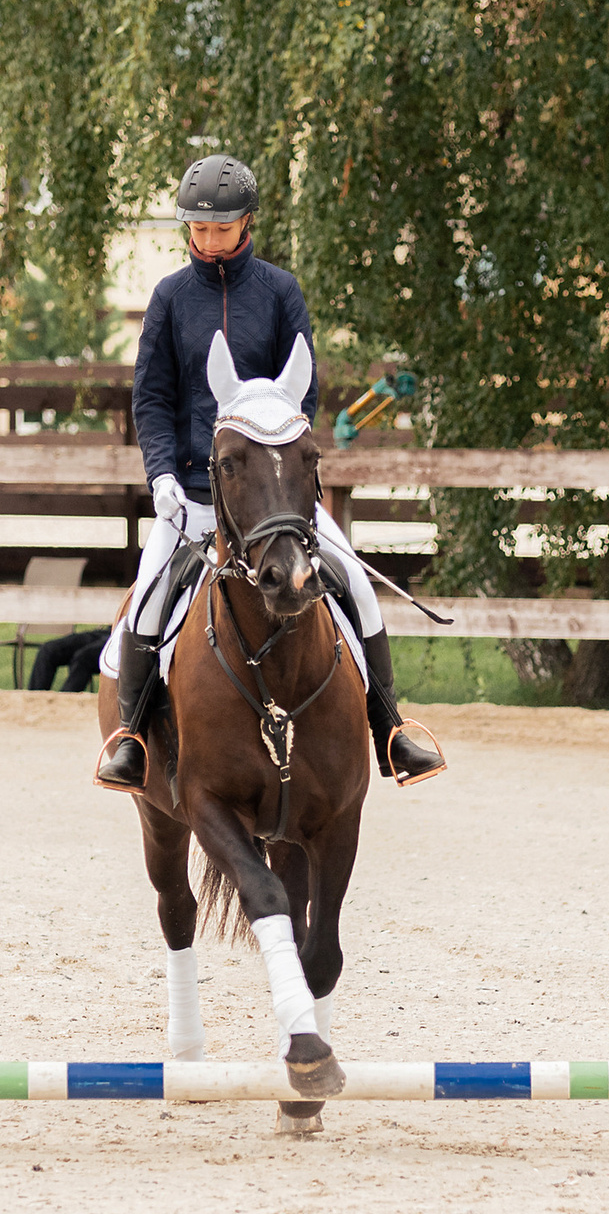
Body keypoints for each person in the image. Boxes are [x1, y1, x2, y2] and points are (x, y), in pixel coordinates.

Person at [95, 154, 444, 792]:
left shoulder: (280, 292)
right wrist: (162, 476)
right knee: (146, 604)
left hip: (275, 500)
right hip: (194, 499)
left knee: (357, 588)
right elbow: (151, 398)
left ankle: (390, 729)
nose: (208, 241)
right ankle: (132, 741)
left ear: (247, 223)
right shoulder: (170, 298)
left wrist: (282, 467)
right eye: (198, 229)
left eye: (221, 229)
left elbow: (302, 392)